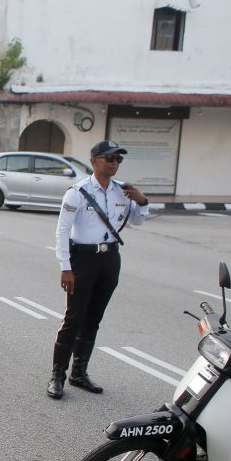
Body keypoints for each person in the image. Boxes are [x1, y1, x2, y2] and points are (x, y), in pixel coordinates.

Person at [46, 140, 149, 399]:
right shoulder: (77, 192)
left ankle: (79, 373)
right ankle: (58, 374)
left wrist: (142, 201)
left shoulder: (121, 191)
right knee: (74, 318)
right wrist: (65, 267)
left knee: (94, 319)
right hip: (83, 260)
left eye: (118, 159)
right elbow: (61, 230)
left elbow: (137, 219)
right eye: (109, 158)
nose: (114, 163)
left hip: (110, 259)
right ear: (94, 161)